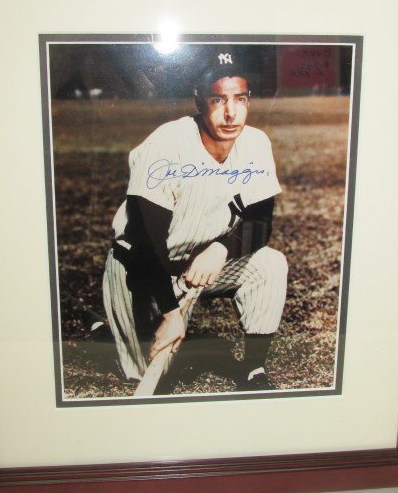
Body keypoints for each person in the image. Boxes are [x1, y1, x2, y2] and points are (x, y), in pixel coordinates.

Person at [102, 51, 288, 392]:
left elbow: (261, 223)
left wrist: (221, 248)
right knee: (148, 372)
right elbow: (144, 242)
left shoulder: (256, 143)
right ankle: (102, 331)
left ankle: (254, 369)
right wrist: (172, 315)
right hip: (142, 270)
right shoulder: (166, 145)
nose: (231, 113)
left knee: (270, 264)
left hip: (202, 267)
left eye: (240, 99)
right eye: (219, 100)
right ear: (199, 100)